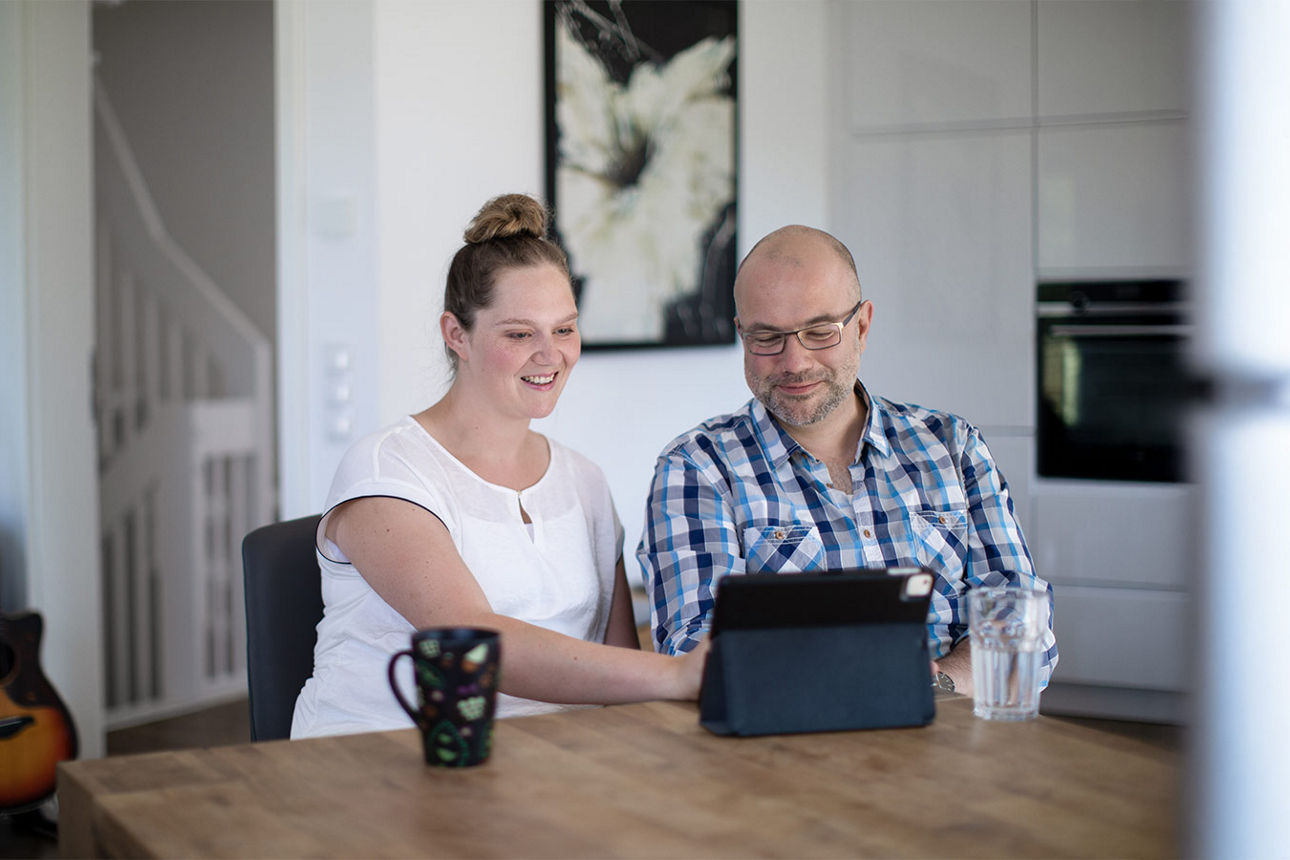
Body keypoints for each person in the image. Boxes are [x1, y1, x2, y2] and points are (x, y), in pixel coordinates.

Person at [292, 193, 707, 738]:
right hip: (386, 758)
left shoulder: (584, 481)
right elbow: (474, 640)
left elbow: (617, 668)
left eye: (564, 329)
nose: (550, 353)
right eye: (518, 334)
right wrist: (677, 674)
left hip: (550, 765)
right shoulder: (387, 471)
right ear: (456, 334)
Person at [636, 225, 1057, 696]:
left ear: (861, 325)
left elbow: (1023, 631)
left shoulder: (953, 447)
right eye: (766, 337)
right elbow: (699, 660)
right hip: (781, 760)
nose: (793, 362)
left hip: (958, 746)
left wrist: (930, 685)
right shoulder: (697, 468)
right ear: (742, 335)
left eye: (819, 332)